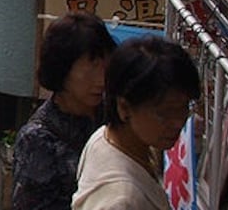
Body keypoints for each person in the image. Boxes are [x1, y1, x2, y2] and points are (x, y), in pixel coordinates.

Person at [72, 36, 200, 210]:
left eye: (184, 107)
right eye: (165, 112)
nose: (178, 122)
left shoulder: (107, 138)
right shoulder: (122, 201)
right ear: (124, 107)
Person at [12, 12, 116, 210]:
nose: (101, 80)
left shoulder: (112, 114)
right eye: (91, 68)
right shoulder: (37, 139)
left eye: (105, 66)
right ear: (63, 69)